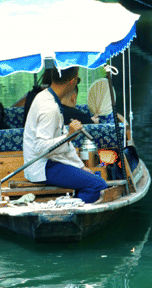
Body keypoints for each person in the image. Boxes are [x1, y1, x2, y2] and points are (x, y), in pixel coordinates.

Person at [22, 66, 107, 203]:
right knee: (98, 185)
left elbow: (61, 141)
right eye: (78, 80)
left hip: (49, 162)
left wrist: (80, 166)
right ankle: (73, 211)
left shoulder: (45, 96)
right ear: (72, 81)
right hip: (43, 166)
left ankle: (74, 203)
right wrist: (69, 136)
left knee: (90, 178)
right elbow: (41, 147)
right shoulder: (49, 108)